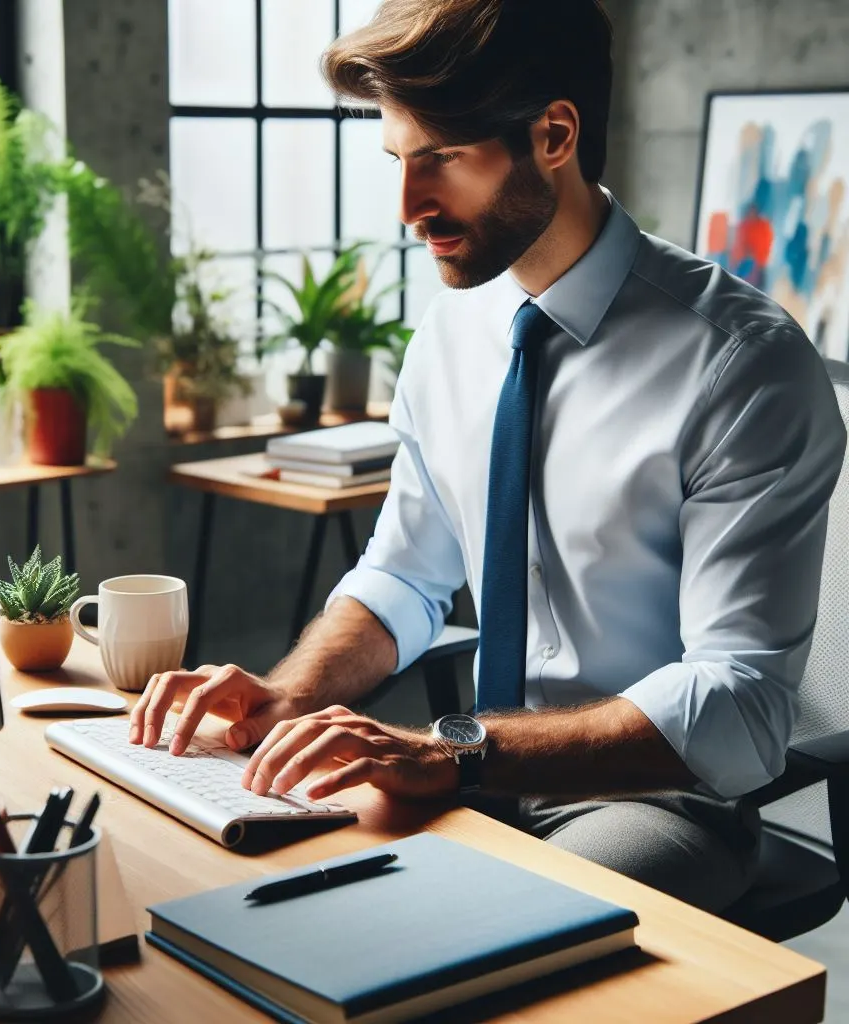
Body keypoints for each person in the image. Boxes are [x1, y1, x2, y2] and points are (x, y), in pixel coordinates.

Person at [130, 0, 846, 911]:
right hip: (465, 768)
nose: (406, 207)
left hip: (649, 799)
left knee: (478, 939)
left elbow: (740, 704)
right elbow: (402, 577)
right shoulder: (452, 331)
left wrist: (453, 749)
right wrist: (289, 693)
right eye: (398, 160)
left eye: (442, 160)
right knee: (246, 892)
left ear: (554, 135)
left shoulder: (741, 366)